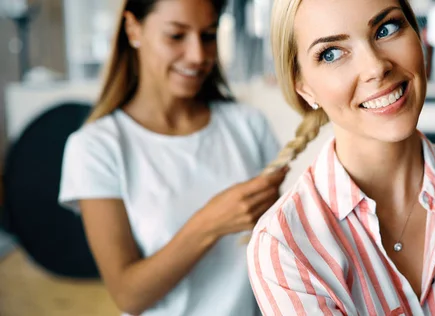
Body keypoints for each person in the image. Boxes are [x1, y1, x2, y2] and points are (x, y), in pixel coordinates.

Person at [248, 0, 435, 315]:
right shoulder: (286, 245)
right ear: (304, 87)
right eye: (331, 53)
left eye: (386, 28)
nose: (375, 67)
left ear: (417, 35)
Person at [58, 0, 288, 315]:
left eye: (207, 36)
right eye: (176, 36)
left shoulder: (248, 124)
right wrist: (210, 223)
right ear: (132, 29)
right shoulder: (96, 148)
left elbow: (284, 249)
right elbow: (128, 295)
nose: (197, 56)